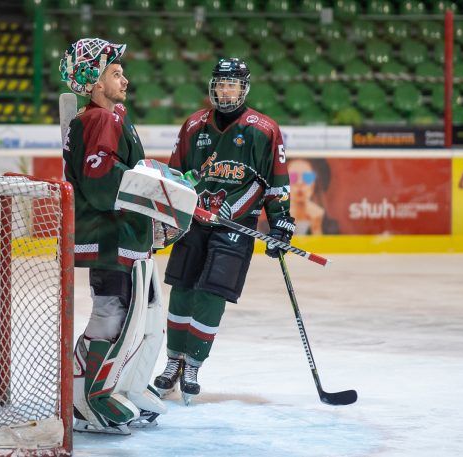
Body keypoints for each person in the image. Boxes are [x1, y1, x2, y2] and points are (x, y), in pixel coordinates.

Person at [153, 57, 295, 404]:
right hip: (195, 220)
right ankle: (173, 361)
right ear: (212, 87)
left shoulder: (264, 129)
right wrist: (172, 215)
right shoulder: (193, 126)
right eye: (220, 83)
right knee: (183, 287)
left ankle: (193, 365)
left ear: (243, 89)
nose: (225, 90)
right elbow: (175, 176)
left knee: (213, 292)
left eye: (232, 84)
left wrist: (281, 223)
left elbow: (275, 184)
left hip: (237, 224)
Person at [59, 37, 166, 434]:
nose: (125, 79)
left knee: (142, 315)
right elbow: (103, 183)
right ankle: (88, 397)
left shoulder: (111, 116)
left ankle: (124, 385)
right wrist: (156, 187)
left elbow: (122, 170)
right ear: (94, 81)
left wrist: (161, 178)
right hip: (108, 235)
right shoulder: (99, 119)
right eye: (116, 73)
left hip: (123, 234)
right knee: (113, 314)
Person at [288, 158, 340, 235]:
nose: (300, 183)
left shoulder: (330, 226)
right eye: (293, 177)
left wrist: (316, 227)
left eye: (307, 177)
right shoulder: (268, 225)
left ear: (315, 184)